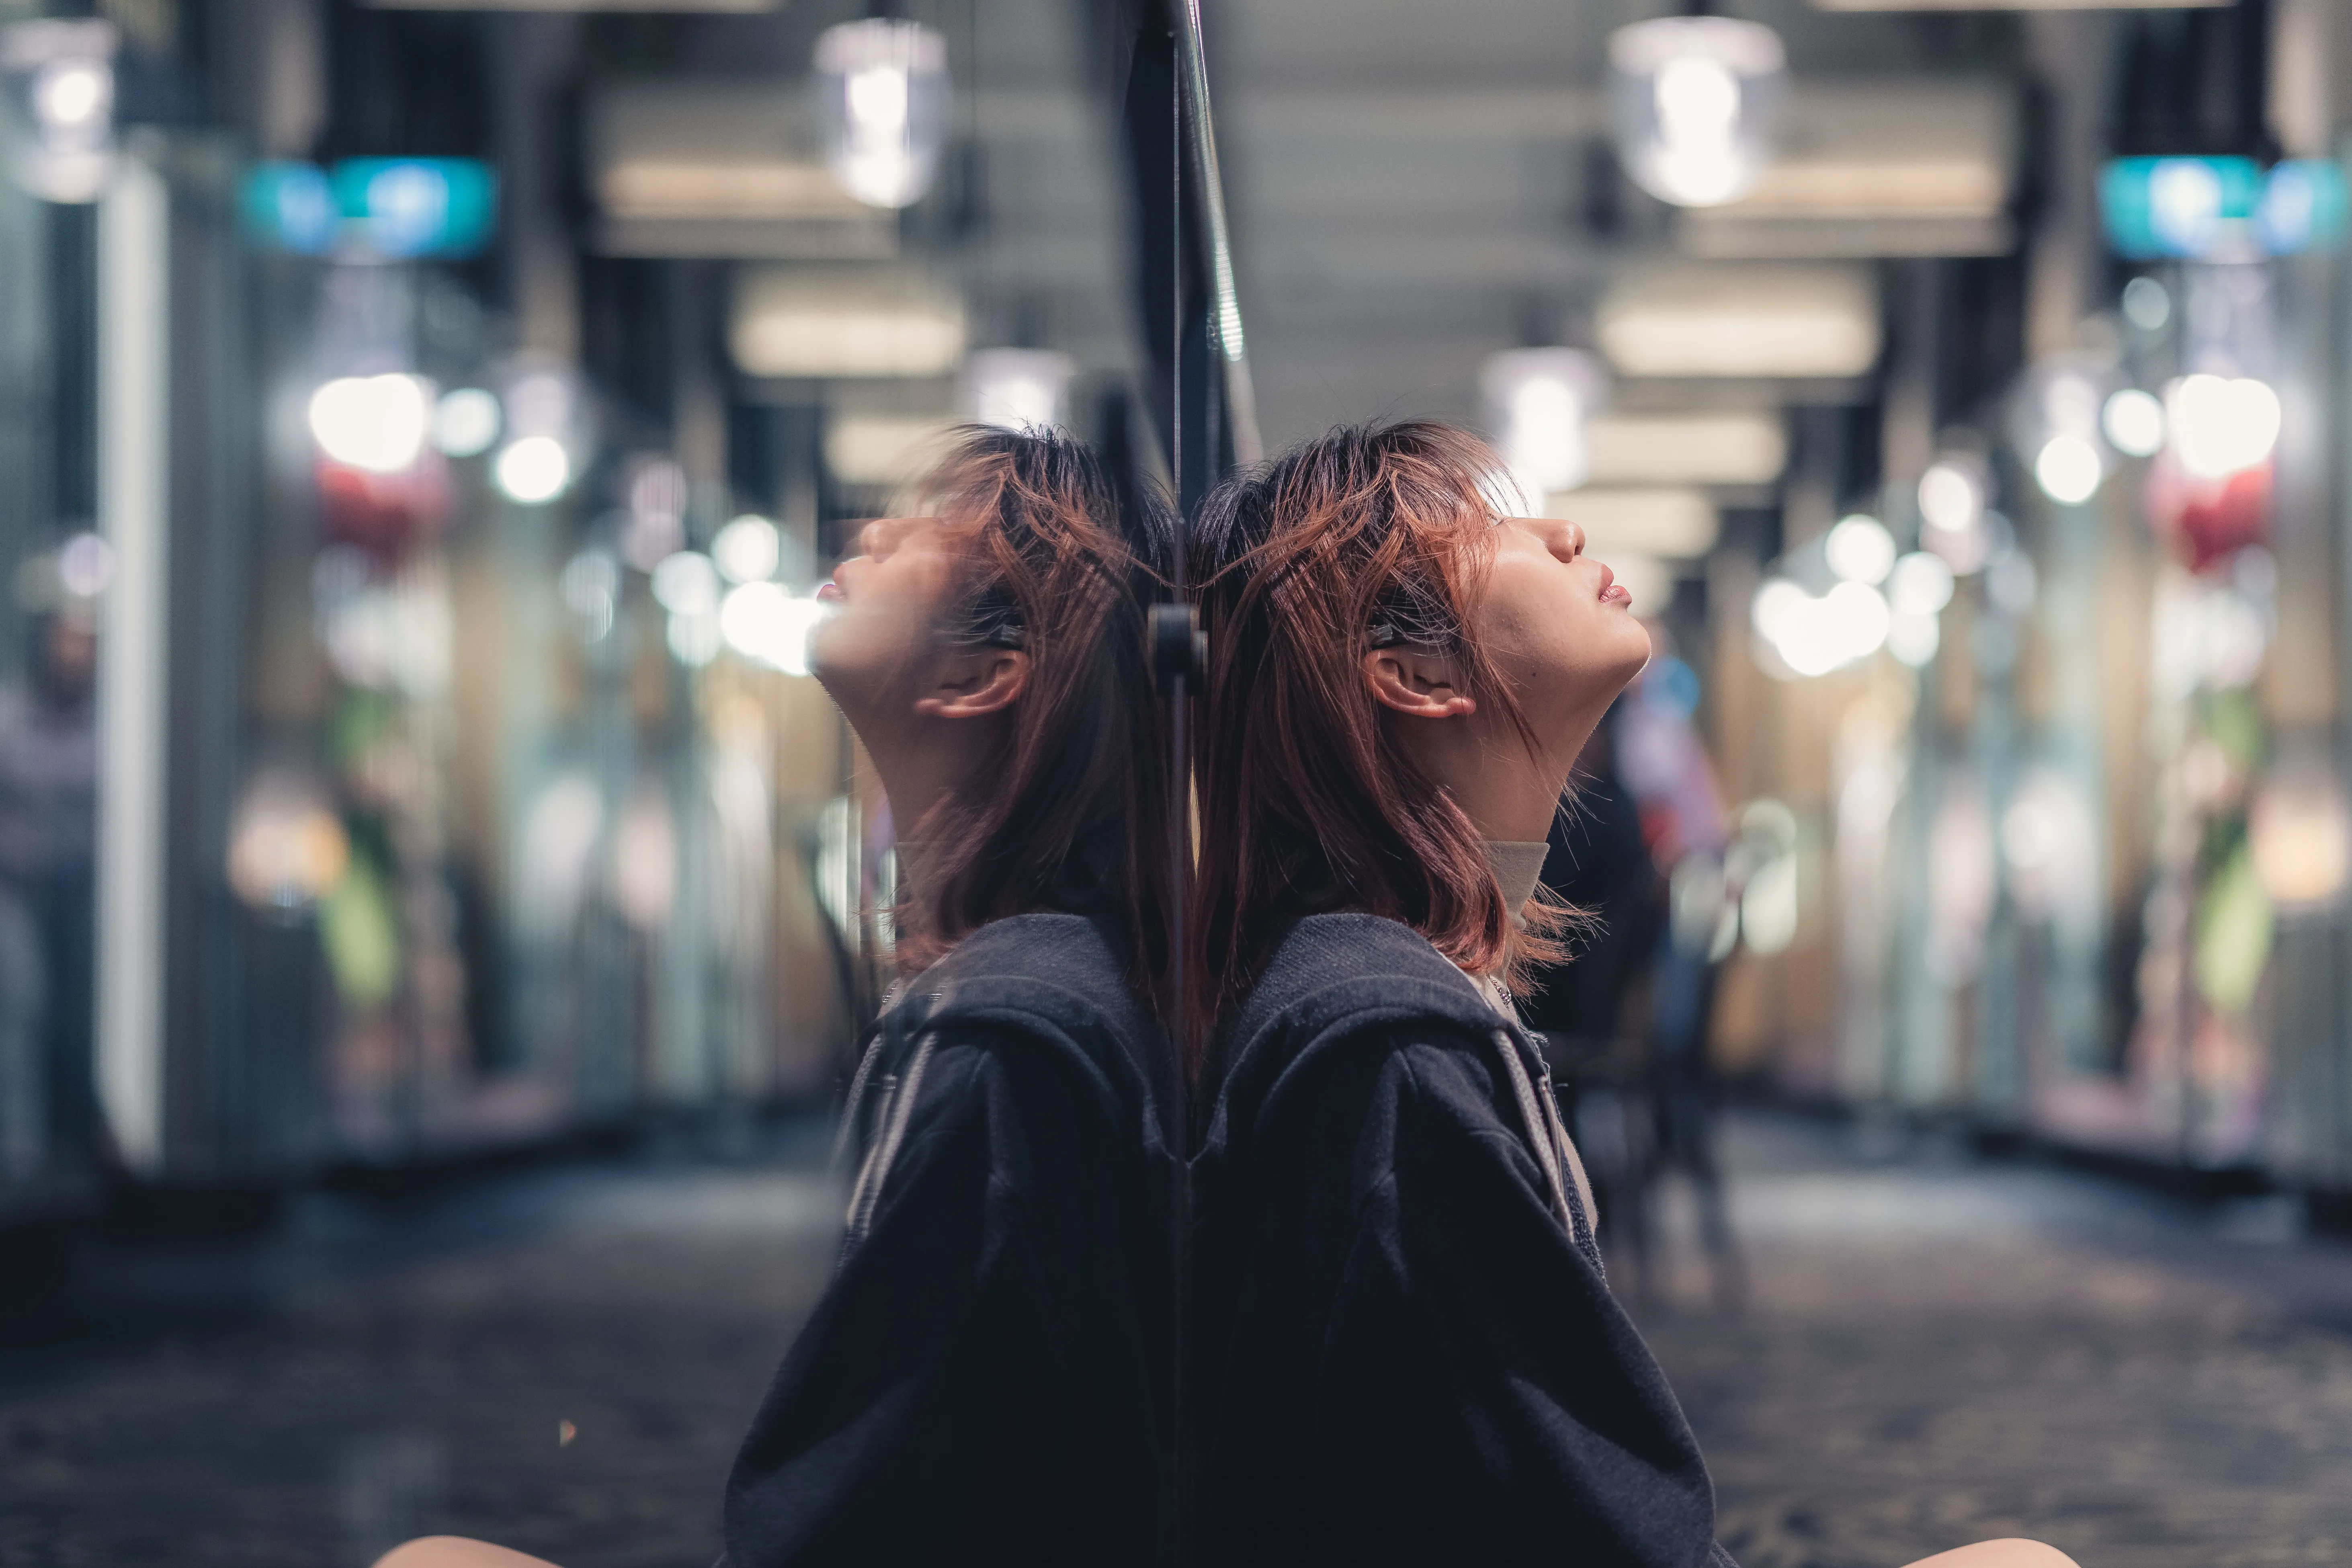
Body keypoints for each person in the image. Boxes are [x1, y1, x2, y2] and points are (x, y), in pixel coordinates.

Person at [1186, 420, 2073, 1568]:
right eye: (1483, 528)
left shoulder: (1375, 987)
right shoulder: (1391, 1036)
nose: (1559, 530)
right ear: (1410, 672)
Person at [379, 426, 1177, 1568]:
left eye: (930, 535)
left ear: (984, 674)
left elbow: (856, 1498)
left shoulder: (997, 1025)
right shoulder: (1044, 980)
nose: (872, 530)